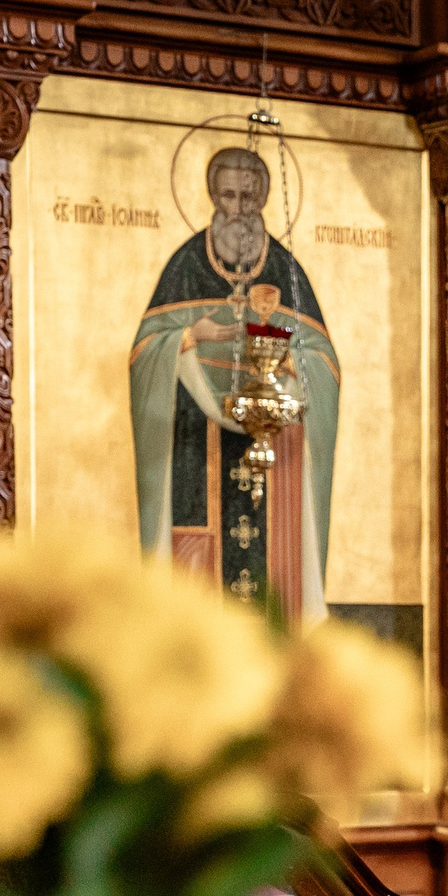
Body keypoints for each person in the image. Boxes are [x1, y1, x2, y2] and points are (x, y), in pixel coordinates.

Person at [128, 145, 341, 618]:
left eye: (250, 198)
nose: (239, 208)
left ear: (265, 199)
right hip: (194, 445)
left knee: (271, 583)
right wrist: (187, 338)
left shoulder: (285, 269)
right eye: (229, 196)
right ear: (212, 197)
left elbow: (323, 364)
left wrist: (289, 362)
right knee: (196, 579)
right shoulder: (186, 265)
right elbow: (145, 353)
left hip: (274, 449)